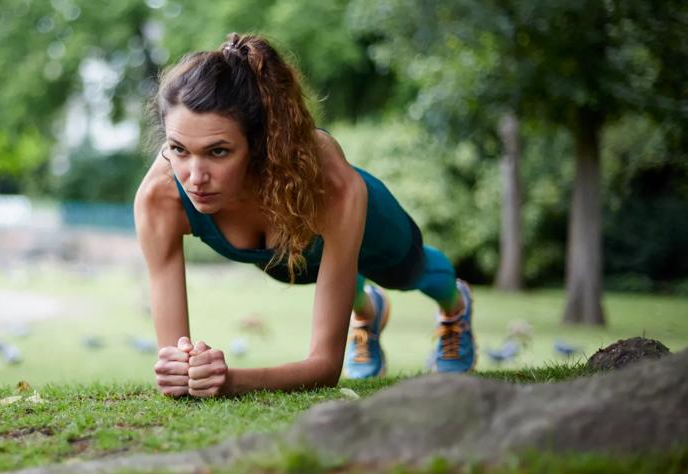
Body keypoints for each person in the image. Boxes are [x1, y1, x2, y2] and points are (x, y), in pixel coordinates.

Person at [134, 33, 476, 398]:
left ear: (262, 142)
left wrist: (230, 380)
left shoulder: (334, 186)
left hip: (372, 227)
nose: (194, 177)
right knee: (312, 273)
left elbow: (325, 368)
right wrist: (182, 370)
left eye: (218, 152)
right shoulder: (160, 197)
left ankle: (455, 306)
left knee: (412, 272)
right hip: (291, 258)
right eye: (178, 149)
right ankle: (367, 311)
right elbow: (174, 355)